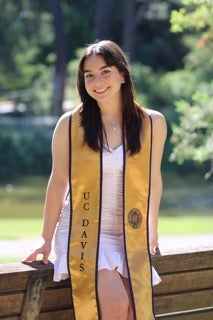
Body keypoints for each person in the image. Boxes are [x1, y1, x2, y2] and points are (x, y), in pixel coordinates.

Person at [23, 40, 167, 320]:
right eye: (89, 75)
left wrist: (152, 228)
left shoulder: (152, 123)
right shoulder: (70, 125)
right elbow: (57, 182)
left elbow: (154, 180)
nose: (97, 81)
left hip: (127, 231)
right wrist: (45, 238)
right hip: (83, 230)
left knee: (133, 311)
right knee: (116, 305)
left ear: (123, 74)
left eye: (105, 72)